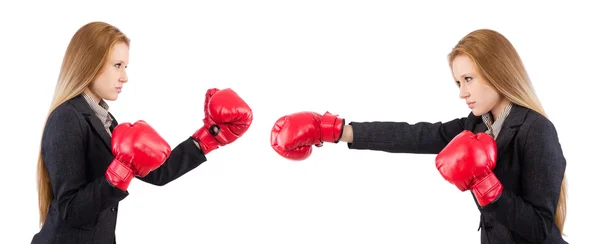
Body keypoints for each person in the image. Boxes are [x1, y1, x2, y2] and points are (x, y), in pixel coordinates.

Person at [270, 29, 568, 243]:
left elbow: (541, 228)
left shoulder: (537, 130)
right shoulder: (477, 124)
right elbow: (417, 135)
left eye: (468, 79)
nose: (462, 92)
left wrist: (487, 186)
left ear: (497, 71)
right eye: (457, 82)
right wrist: (337, 130)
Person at [32, 21, 253, 244]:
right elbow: (71, 210)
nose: (124, 77)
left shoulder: (104, 120)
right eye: (117, 65)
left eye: (125, 67)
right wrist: (117, 175)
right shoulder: (67, 117)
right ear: (90, 63)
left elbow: (158, 173)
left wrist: (208, 137)